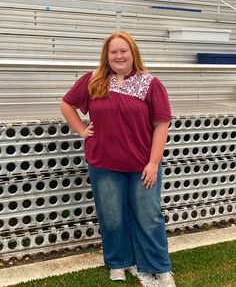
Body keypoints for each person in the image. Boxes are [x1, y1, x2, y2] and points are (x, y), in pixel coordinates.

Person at [60, 31, 176, 287]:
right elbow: (67, 104)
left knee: (149, 216)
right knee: (112, 216)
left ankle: (158, 266)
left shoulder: (150, 83)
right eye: (113, 52)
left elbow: (161, 124)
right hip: (104, 164)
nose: (119, 56)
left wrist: (154, 163)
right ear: (106, 56)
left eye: (123, 51)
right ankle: (118, 263)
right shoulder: (93, 80)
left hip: (141, 166)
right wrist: (82, 130)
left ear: (133, 53)